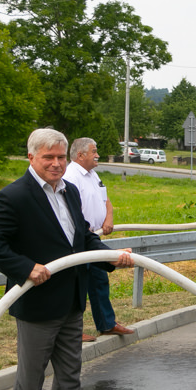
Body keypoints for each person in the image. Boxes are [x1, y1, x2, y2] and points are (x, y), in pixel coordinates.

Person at [0, 128, 133, 390]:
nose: (56, 163)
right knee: (30, 381)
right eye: (49, 157)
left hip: (72, 301)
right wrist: (25, 268)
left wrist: (110, 257)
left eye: (61, 157)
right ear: (31, 157)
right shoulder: (14, 196)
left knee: (69, 377)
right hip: (37, 306)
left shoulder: (70, 191)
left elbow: (84, 238)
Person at [63, 137, 135, 341]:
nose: (98, 155)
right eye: (94, 151)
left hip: (94, 238)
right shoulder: (71, 177)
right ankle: (73, 331)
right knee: (76, 285)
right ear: (80, 155)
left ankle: (107, 324)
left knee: (99, 281)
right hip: (78, 241)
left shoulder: (92, 175)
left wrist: (108, 218)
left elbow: (106, 199)